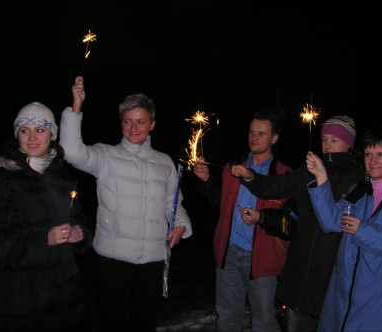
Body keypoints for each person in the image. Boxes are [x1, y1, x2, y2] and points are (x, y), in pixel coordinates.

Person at [60, 76, 193, 332]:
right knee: (113, 322)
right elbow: (73, 152)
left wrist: (180, 225)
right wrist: (76, 107)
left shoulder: (165, 163)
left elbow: (174, 204)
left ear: (152, 124)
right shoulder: (106, 156)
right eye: (127, 121)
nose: (133, 128)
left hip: (153, 259)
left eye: (141, 122)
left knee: (145, 322)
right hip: (114, 259)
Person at [232, 115, 364, 332]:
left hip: (333, 274)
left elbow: (335, 223)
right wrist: (250, 176)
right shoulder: (308, 171)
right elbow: (277, 185)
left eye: (334, 140)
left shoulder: (357, 179)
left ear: (349, 144)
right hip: (299, 271)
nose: (327, 145)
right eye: (324, 140)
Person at [0, 102, 93, 332]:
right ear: (17, 134)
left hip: (66, 303)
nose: (32, 138)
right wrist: (44, 240)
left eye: (40, 130)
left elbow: (78, 221)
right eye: (24, 130)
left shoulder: (63, 178)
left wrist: (80, 236)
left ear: (52, 135)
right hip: (20, 307)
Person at [305, 126, 382, 331]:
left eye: (381, 155)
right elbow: (330, 221)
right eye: (368, 154)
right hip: (345, 292)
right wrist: (321, 178)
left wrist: (364, 230)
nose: (373, 161)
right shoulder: (360, 191)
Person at [193, 108, 292, 332]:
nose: (254, 138)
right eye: (251, 132)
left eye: (261, 133)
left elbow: (290, 221)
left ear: (274, 138)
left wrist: (262, 218)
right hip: (228, 254)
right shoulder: (233, 168)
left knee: (264, 323)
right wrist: (207, 180)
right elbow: (219, 204)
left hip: (262, 261)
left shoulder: (284, 175)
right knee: (227, 319)